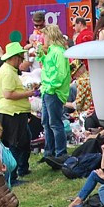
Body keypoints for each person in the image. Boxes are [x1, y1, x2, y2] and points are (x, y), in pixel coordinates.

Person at [0, 42, 32, 181]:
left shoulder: (7, 70)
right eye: (20, 58)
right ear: (14, 58)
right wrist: (28, 94)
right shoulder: (8, 72)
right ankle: (13, 175)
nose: (21, 61)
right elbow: (8, 94)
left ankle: (21, 169)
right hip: (11, 113)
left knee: (23, 142)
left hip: (11, 112)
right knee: (15, 144)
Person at [38, 24, 70, 163]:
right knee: (46, 122)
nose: (42, 38)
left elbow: (60, 73)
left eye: (44, 35)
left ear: (50, 35)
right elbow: (47, 66)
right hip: (47, 90)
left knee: (55, 123)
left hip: (53, 91)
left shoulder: (58, 52)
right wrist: (41, 55)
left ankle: (60, 152)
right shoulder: (52, 51)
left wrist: (51, 87)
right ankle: (49, 152)